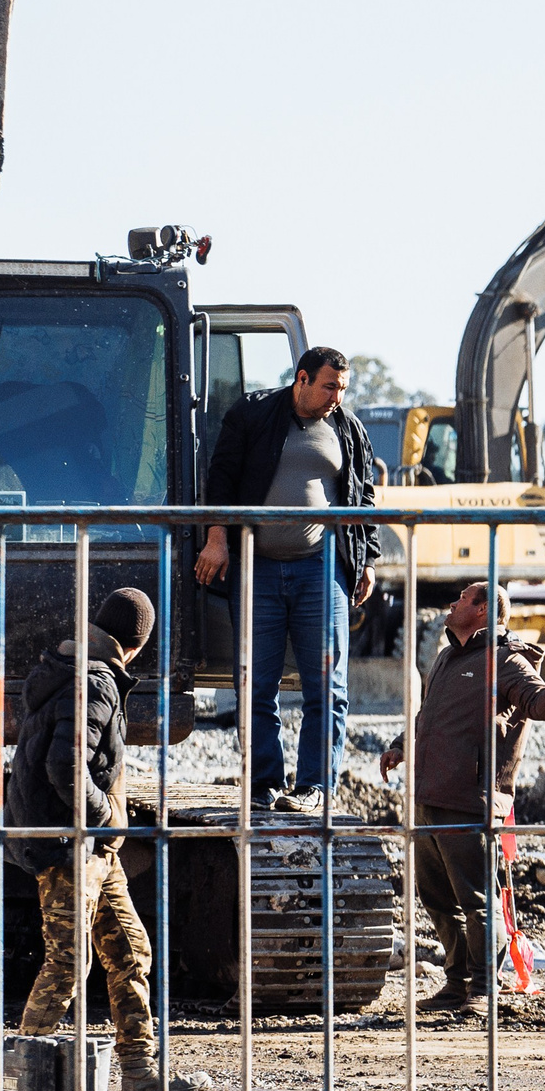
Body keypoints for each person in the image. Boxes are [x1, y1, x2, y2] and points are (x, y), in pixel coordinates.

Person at [8, 588, 210, 1091]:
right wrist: (104, 816)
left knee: (129, 950)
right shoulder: (95, 682)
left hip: (94, 849)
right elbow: (65, 766)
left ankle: (140, 1075)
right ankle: (18, 1082)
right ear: (137, 642)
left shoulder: (74, 668)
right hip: (71, 843)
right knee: (67, 965)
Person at [196, 344, 384, 815]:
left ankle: (315, 786)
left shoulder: (348, 429)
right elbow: (221, 477)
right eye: (328, 386)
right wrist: (217, 538)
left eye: (342, 388)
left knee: (327, 686)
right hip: (256, 566)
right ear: (301, 379)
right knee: (256, 683)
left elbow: (364, 497)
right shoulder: (253, 414)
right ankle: (264, 785)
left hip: (320, 568)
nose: (335, 397)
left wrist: (367, 560)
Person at [380, 581, 545, 1015]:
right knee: (436, 898)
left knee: (477, 901)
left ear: (484, 610)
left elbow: (538, 705)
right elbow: (429, 718)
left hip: (471, 802)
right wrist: (401, 744)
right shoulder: (448, 657)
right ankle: (456, 983)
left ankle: (485, 988)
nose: (452, 603)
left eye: (463, 599)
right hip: (429, 797)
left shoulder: (507, 661)